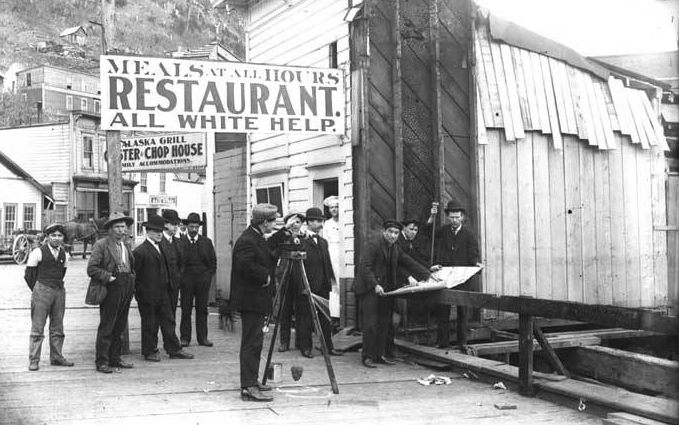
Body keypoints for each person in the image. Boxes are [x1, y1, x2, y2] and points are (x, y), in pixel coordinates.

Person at [230, 203, 291, 402]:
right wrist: (265, 276)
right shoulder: (247, 240)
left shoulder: (256, 236)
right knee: (251, 343)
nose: (274, 224)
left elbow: (267, 248)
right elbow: (244, 264)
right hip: (251, 301)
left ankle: (252, 381)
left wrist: (285, 232)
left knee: (255, 343)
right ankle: (248, 386)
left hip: (257, 300)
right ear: (264, 222)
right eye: (273, 221)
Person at [354, 220, 431, 368]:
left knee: (385, 323)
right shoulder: (373, 245)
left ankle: (380, 355)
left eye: (396, 233)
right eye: (390, 232)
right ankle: (367, 357)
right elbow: (364, 268)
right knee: (370, 324)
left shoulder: (395, 249)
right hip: (369, 290)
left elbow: (409, 262)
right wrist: (375, 285)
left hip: (386, 291)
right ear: (384, 232)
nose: (393, 235)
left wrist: (428, 274)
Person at [133, 214, 194, 362]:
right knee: (150, 324)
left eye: (161, 230)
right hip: (148, 295)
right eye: (156, 231)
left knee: (169, 321)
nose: (160, 233)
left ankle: (174, 349)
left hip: (164, 292)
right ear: (148, 232)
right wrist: (140, 295)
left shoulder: (161, 247)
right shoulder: (140, 251)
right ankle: (149, 351)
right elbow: (135, 276)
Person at [425, 201, 481, 348]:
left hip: (462, 277)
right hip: (446, 275)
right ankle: (443, 343)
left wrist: (476, 264)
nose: (454, 220)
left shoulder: (469, 235)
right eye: (451, 217)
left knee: (463, 310)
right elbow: (428, 234)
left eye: (457, 217)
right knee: (443, 309)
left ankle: (462, 343)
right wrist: (432, 216)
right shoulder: (443, 231)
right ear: (447, 217)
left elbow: (473, 255)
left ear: (462, 217)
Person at [87, 212, 136, 374]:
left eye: (123, 226)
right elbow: (92, 269)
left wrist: (131, 280)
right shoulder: (101, 245)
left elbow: (132, 266)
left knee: (120, 325)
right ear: (110, 229)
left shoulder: (126, 245)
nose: (121, 230)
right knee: (107, 326)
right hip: (111, 288)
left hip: (126, 287)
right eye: (117, 227)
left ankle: (115, 358)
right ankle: (102, 361)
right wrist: (110, 278)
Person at [24, 223, 73, 371]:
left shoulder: (65, 254)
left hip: (59, 291)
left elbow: (62, 272)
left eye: (59, 235)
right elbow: (29, 276)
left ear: (63, 237)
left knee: (58, 326)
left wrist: (55, 287)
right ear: (47, 237)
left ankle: (57, 356)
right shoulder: (37, 253)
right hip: (41, 290)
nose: (57, 238)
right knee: (37, 328)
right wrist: (39, 290)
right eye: (53, 235)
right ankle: (34, 360)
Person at [297, 207, 343, 358]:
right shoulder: (301, 241)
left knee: (325, 318)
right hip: (308, 286)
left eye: (321, 221)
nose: (319, 224)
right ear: (308, 222)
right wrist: (302, 286)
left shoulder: (323, 242)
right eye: (316, 221)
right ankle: (306, 347)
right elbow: (297, 267)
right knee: (306, 318)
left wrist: (332, 282)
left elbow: (327, 263)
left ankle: (327, 347)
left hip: (323, 286)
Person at [178, 213, 217, 347]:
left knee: (202, 309)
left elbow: (213, 262)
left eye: (196, 227)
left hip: (202, 279)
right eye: (191, 226)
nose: (194, 229)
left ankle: (203, 338)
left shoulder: (206, 242)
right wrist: (181, 278)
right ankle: (185, 338)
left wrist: (207, 276)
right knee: (186, 309)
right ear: (186, 227)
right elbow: (177, 263)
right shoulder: (180, 242)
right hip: (186, 280)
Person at [277, 211, 305, 353]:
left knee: (301, 308)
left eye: (298, 222)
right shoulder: (283, 237)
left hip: (301, 276)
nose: (295, 225)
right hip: (285, 275)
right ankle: (284, 342)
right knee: (285, 309)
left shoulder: (304, 237)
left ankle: (300, 341)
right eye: (292, 222)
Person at [160, 209, 183, 318]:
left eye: (177, 225)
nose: (176, 227)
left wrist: (178, 277)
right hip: (161, 287)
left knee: (171, 316)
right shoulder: (158, 241)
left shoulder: (178, 242)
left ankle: (170, 335)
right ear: (165, 224)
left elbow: (181, 263)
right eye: (173, 224)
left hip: (174, 286)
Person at [322, 195, 341, 318]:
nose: (334, 209)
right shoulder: (327, 224)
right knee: (334, 282)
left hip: (342, 252)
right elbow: (325, 241)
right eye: (332, 208)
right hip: (332, 252)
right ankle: (334, 314)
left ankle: (342, 313)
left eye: (336, 207)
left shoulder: (343, 222)